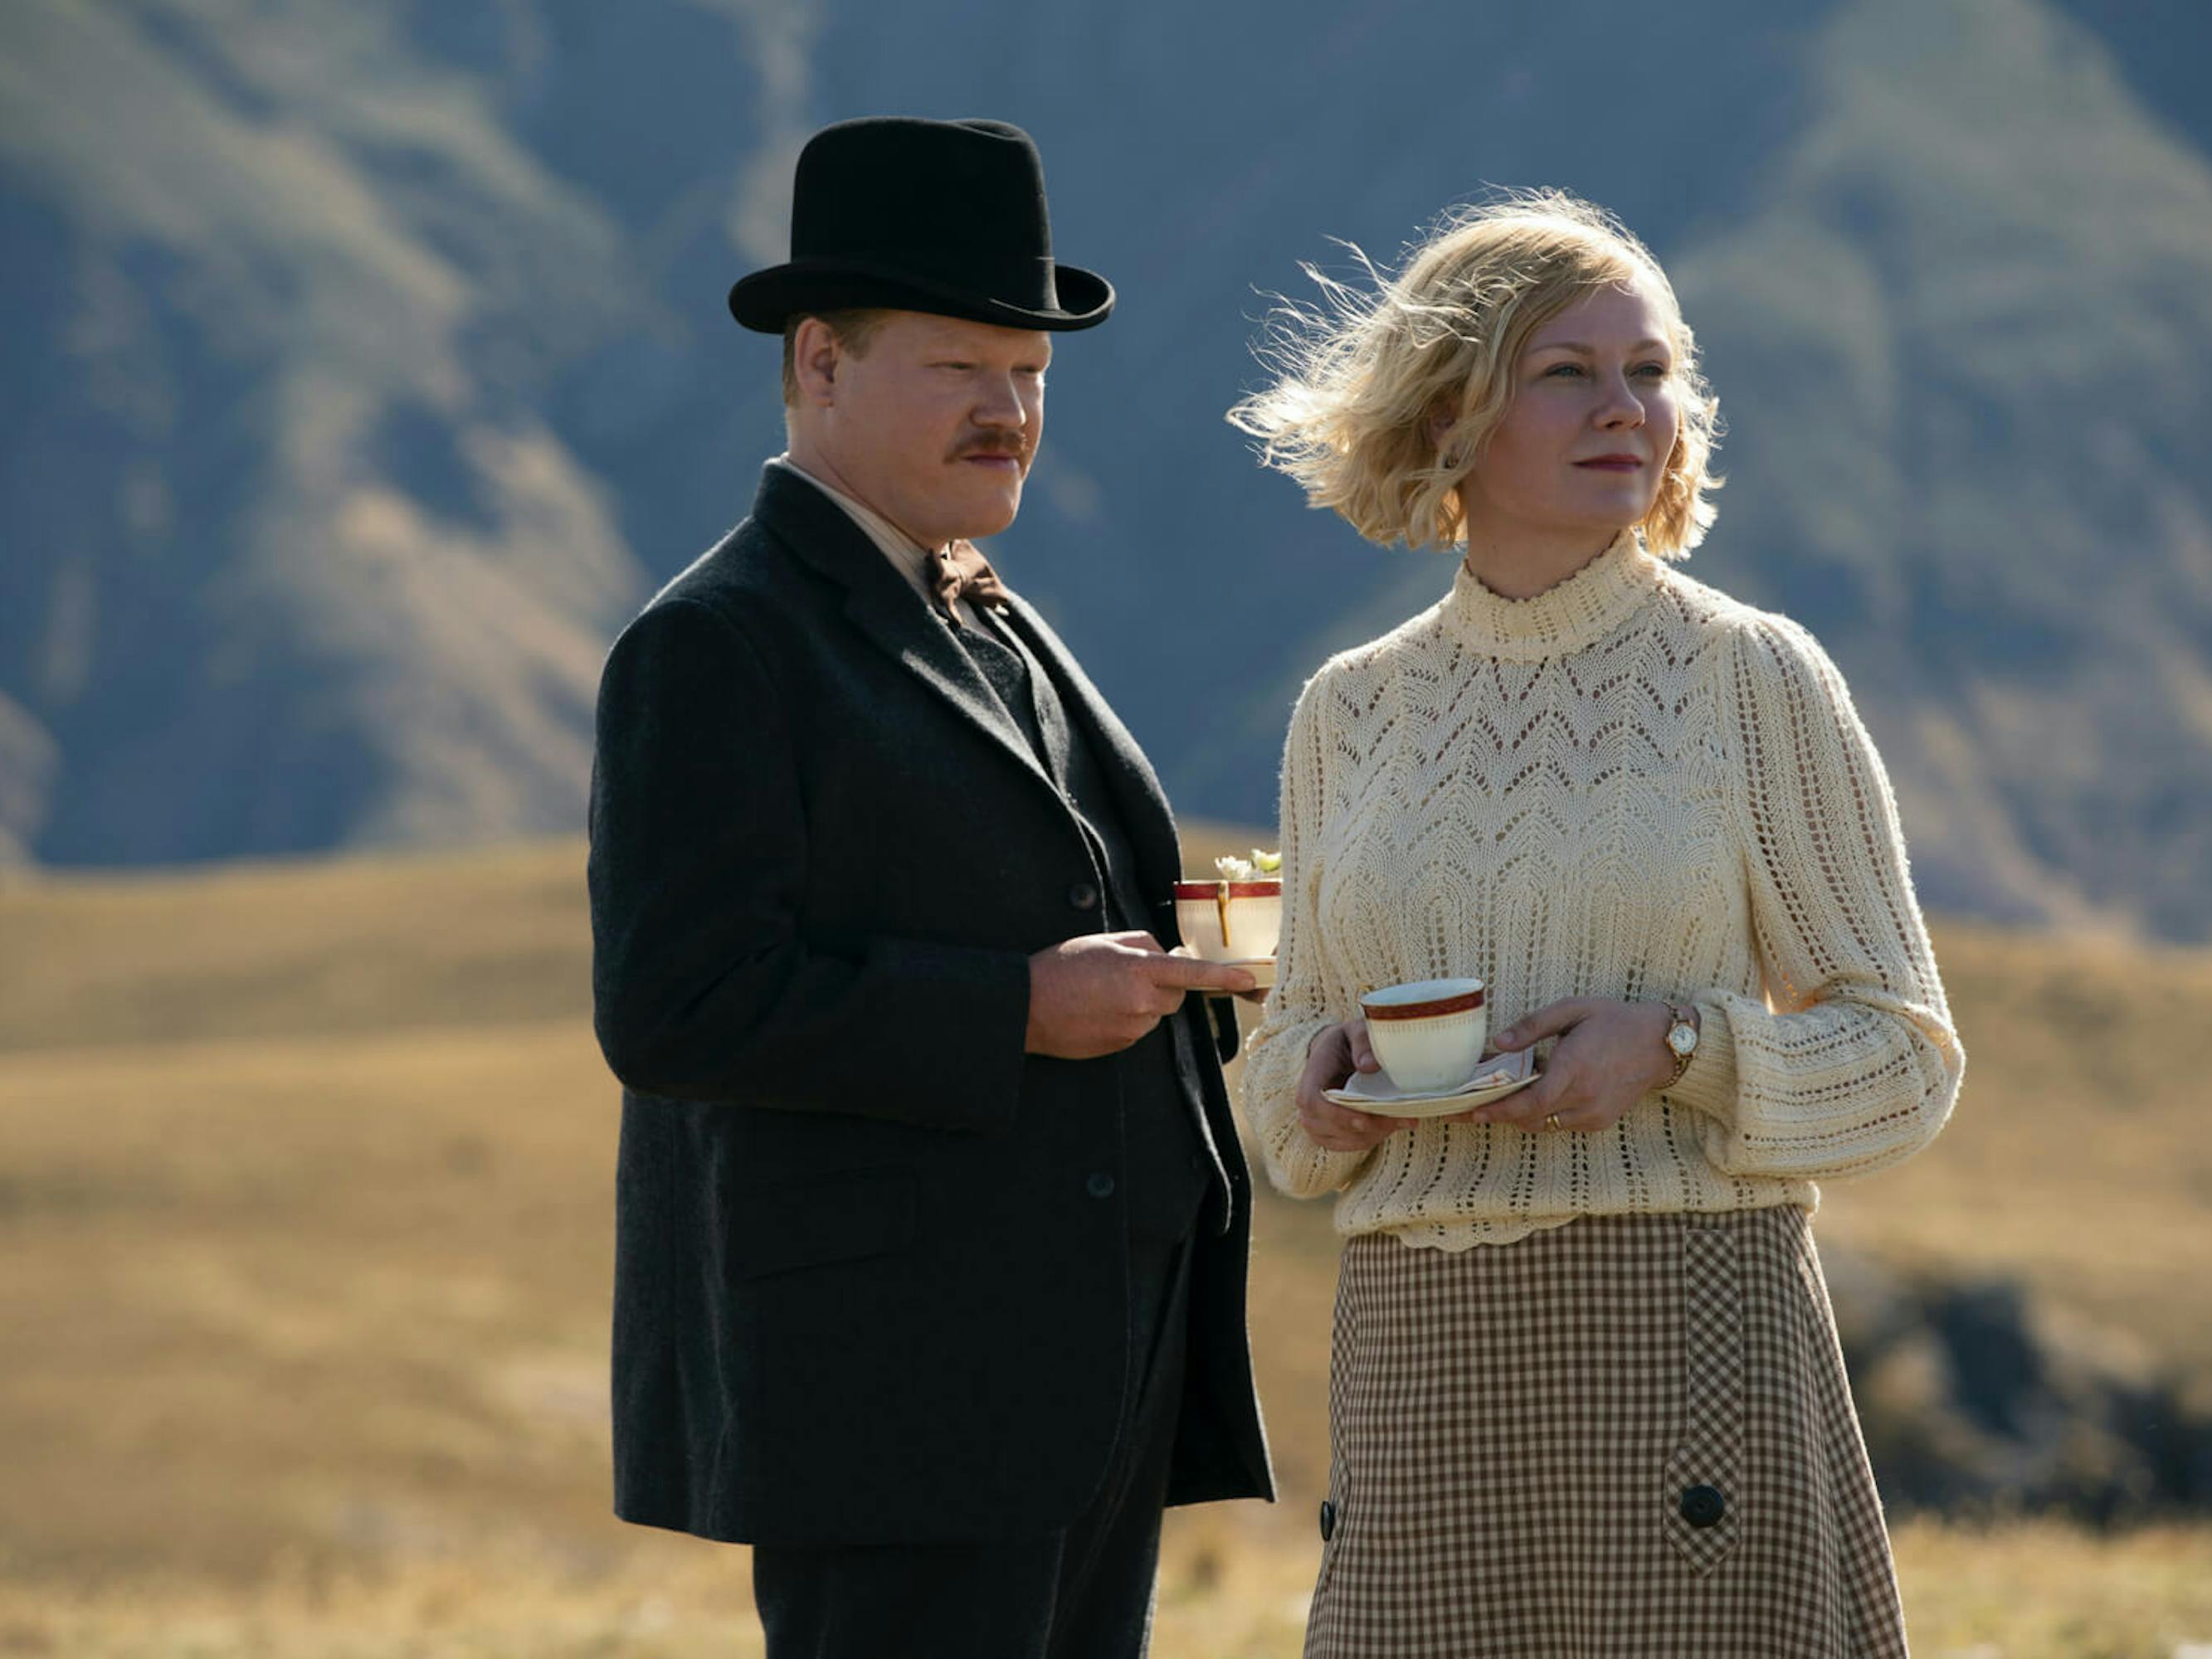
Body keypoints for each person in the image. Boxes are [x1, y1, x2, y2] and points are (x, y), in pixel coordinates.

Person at [1229, 191, 1965, 1656]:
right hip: (1417, 1356)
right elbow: (1280, 1085)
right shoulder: (1349, 710)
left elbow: (1902, 1063)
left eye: (1649, 371)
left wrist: (1679, 1046)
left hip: (1683, 1328)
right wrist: (1314, 1088)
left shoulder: (1750, 676)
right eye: (1566, 371)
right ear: (1453, 412)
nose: (1624, 407)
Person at [586, 117, 1272, 1659]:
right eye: (960, 365)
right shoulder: (720, 643)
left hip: (1089, 1356)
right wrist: (1018, 1008)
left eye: (1029, 374)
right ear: (819, 364)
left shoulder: (988, 610)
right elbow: (676, 1008)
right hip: (896, 1388)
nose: (1010, 410)